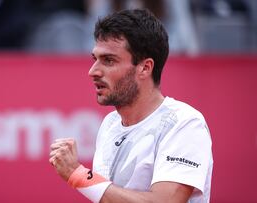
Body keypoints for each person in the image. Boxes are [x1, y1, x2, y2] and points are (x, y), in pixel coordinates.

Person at [49, 9, 213, 203]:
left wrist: (78, 175)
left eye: (109, 60)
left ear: (145, 68)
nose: (93, 71)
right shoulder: (110, 124)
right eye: (95, 59)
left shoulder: (184, 123)